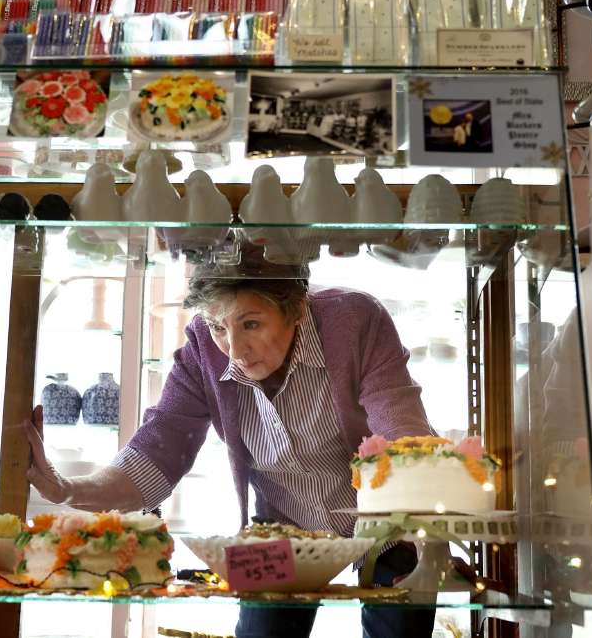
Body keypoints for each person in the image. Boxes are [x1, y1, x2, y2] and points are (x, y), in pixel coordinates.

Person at [27, 250, 437, 638]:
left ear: (295, 308)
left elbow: (401, 430)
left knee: (400, 624)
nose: (235, 350)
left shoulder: (355, 321)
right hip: (282, 528)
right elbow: (155, 453)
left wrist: (423, 528)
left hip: (385, 518)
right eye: (219, 327)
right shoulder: (204, 351)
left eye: (251, 324)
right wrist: (67, 489)